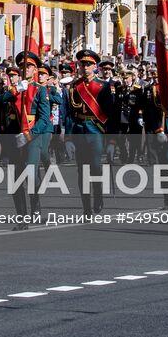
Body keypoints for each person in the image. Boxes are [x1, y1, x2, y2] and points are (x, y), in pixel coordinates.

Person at [0, 51, 52, 225]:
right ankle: (22, 216)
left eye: (30, 66)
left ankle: (35, 204)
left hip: (32, 136)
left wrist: (30, 135)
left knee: (30, 174)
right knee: (16, 177)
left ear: (35, 69)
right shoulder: (14, 89)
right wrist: (17, 89)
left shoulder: (40, 90)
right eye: (23, 66)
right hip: (14, 136)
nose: (26, 69)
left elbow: (44, 118)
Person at [66, 49, 115, 217]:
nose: (85, 67)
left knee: (95, 168)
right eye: (82, 64)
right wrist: (68, 138)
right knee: (82, 171)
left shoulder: (103, 86)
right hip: (79, 130)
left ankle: (98, 196)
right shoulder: (74, 86)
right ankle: (86, 206)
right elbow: (69, 115)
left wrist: (112, 142)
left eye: (88, 64)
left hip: (96, 131)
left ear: (95, 66)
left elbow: (111, 115)